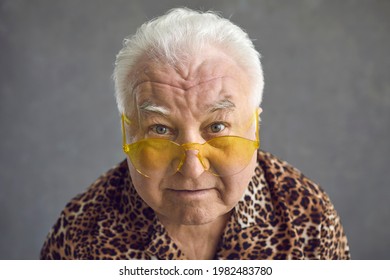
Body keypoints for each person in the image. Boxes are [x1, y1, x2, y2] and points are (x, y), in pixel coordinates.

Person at [40, 7, 350, 260]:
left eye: (217, 127)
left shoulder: (310, 217)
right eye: (160, 129)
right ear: (128, 132)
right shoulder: (81, 233)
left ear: (254, 127)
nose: (192, 167)